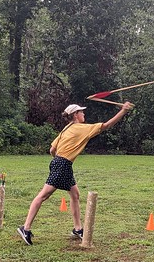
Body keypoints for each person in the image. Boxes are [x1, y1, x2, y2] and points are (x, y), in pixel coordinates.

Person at [17, 101, 133, 245]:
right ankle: (25, 228)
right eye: (81, 112)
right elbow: (106, 126)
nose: (84, 113)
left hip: (61, 163)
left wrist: (59, 160)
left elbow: (52, 150)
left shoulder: (66, 128)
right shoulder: (80, 128)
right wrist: (123, 111)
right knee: (43, 195)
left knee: (75, 195)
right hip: (63, 165)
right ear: (75, 115)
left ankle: (78, 229)